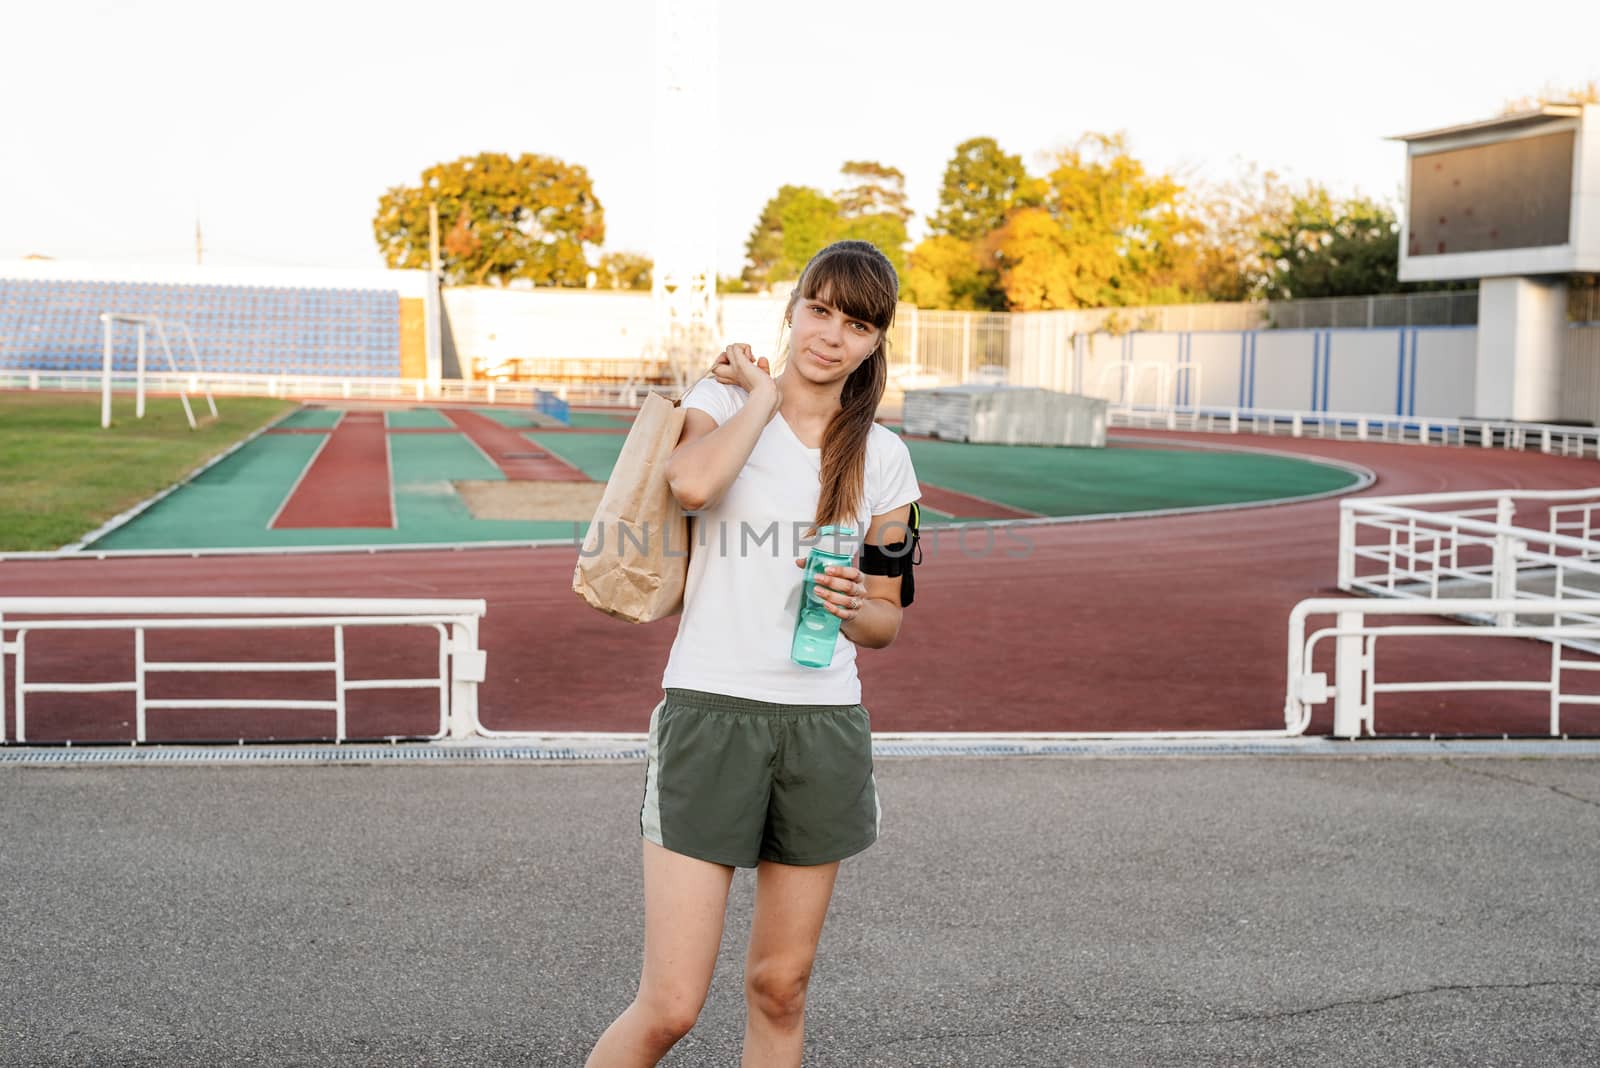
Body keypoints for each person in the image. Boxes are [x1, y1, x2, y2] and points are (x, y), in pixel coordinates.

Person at [584, 240, 922, 1067]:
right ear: (794, 308)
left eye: (856, 323)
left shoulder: (885, 461)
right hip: (710, 712)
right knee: (670, 1005)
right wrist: (763, 398)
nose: (831, 335)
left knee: (781, 987)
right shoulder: (723, 401)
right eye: (820, 310)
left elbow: (890, 618)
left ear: (877, 341)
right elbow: (691, 485)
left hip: (822, 727)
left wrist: (852, 610)